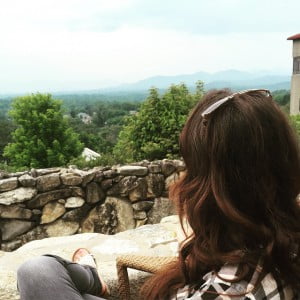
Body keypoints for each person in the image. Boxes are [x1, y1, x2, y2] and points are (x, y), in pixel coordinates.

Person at [17, 89, 300, 299]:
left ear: (214, 187)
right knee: (37, 271)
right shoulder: (277, 245)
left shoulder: (229, 290)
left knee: (37, 273)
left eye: (192, 167)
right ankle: (91, 278)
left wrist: (191, 248)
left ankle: (90, 278)